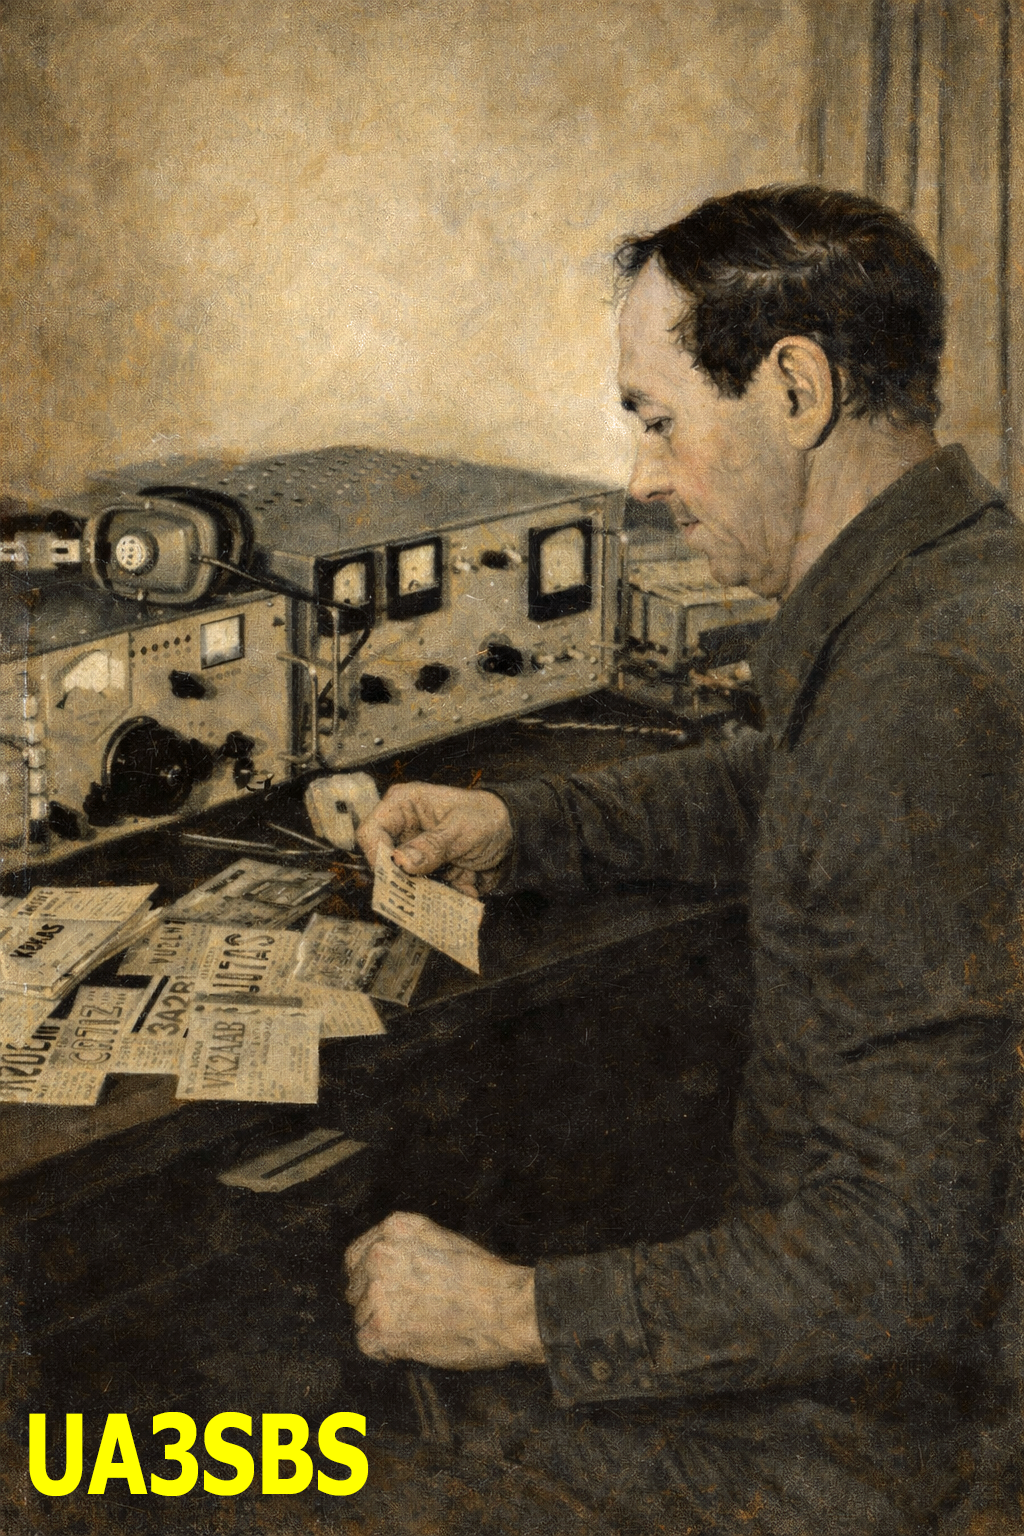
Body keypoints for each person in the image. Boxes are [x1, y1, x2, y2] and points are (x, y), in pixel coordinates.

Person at [342, 186, 1023, 1535]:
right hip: (899, 1369)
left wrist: (512, 1310)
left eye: (656, 419)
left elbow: (895, 1265)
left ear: (796, 390)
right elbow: (785, 783)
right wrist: (530, 826)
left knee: (307, 1456)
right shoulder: (959, 590)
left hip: (889, 1451)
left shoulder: (916, 708)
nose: (643, 478)